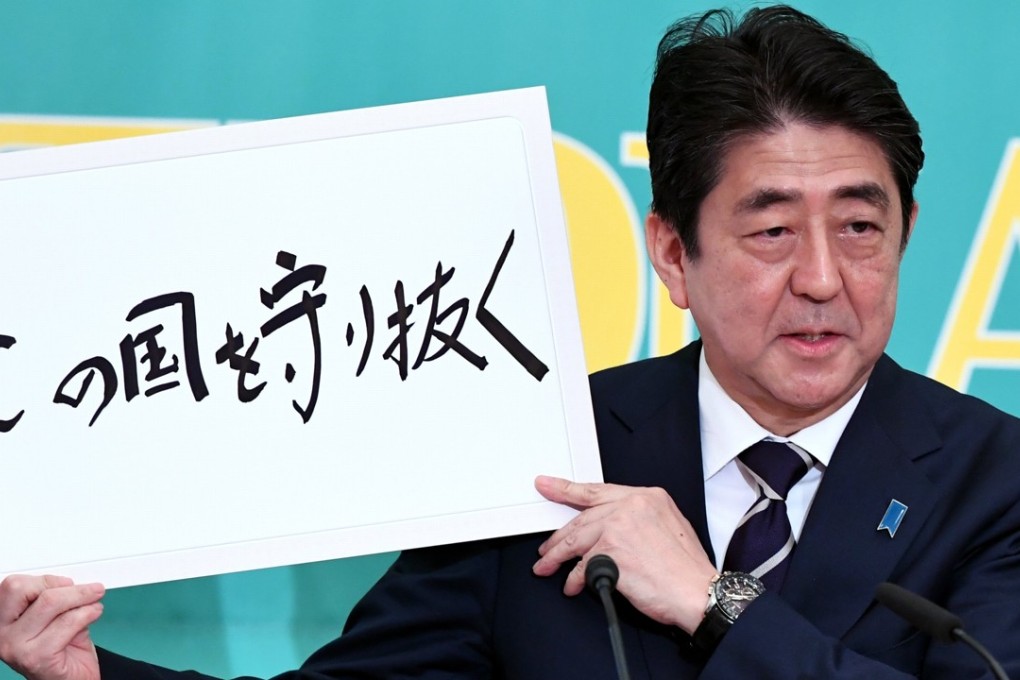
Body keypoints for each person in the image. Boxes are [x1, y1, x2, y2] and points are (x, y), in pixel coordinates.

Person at [3, 5, 1019, 679]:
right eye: (772, 231)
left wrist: (715, 599)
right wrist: (87, 674)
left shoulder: (995, 479)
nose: (824, 277)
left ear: (907, 234)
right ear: (673, 253)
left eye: (860, 226)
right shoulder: (544, 452)